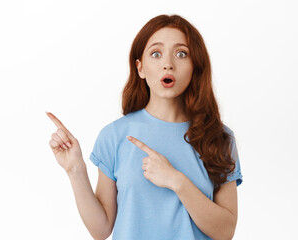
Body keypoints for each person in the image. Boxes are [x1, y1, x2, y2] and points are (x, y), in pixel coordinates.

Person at [46, 14, 243, 240]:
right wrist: (75, 170)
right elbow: (101, 231)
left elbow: (225, 232)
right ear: (140, 68)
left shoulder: (219, 138)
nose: (168, 64)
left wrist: (176, 181)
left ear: (194, 66)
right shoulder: (114, 136)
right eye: (156, 54)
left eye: (181, 54)